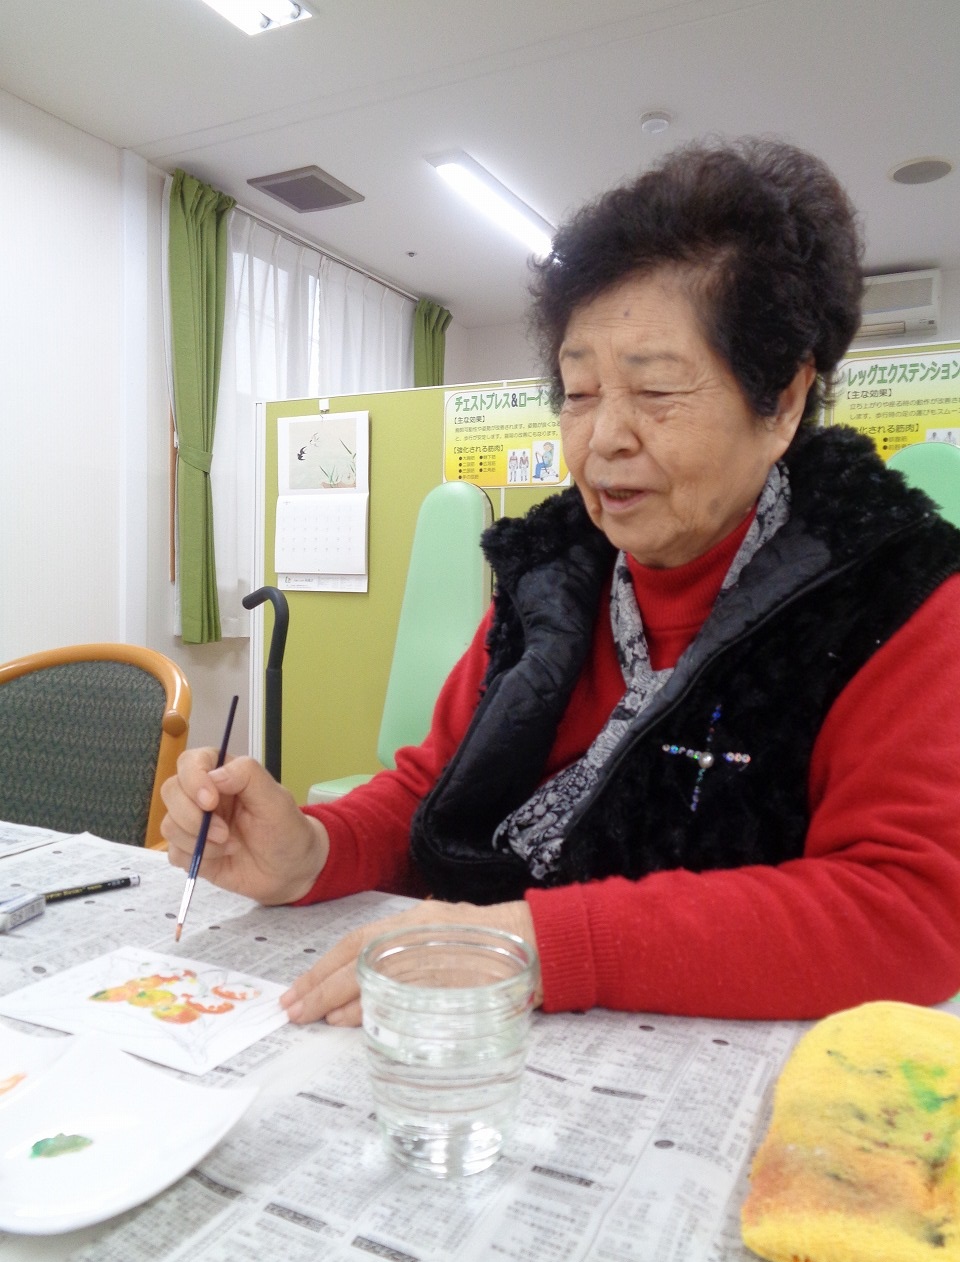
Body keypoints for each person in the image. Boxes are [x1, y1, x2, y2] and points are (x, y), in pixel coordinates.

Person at [162, 137, 960, 1029]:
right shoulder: (554, 574)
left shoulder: (894, 594)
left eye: (656, 392)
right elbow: (437, 787)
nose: (603, 438)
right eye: (579, 394)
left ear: (782, 402)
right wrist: (314, 848)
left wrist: (540, 946)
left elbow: (908, 908)